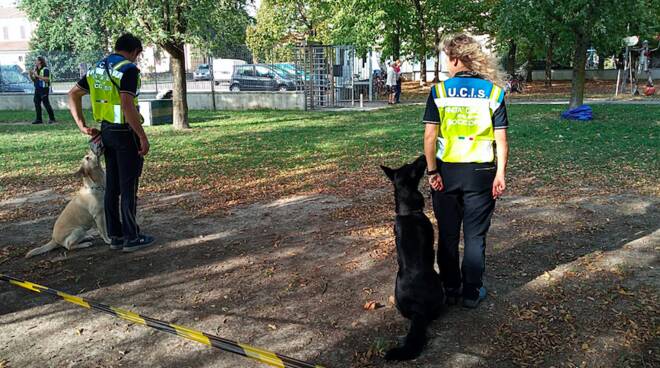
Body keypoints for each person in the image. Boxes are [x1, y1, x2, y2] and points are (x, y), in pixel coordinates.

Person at [422, 34, 509, 308]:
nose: (446, 64)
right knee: (475, 235)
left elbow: (429, 137)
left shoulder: (440, 91)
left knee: (447, 234)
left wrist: (432, 172)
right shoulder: (494, 92)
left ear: (456, 58)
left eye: (446, 58)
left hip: (446, 173)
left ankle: (450, 288)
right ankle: (472, 292)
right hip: (482, 173)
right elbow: (502, 139)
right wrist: (500, 174)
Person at [68, 33, 155, 252]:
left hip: (106, 131)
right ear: (135, 51)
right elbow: (127, 105)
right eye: (138, 55)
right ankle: (131, 237)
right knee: (128, 186)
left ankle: (115, 236)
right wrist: (142, 137)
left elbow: (73, 94)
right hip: (126, 133)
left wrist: (82, 125)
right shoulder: (128, 70)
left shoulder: (97, 68)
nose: (136, 59)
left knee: (113, 186)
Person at [29, 56, 56, 124]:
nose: (35, 61)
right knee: (36, 103)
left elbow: (47, 79)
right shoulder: (36, 69)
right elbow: (34, 80)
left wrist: (37, 75)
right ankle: (39, 119)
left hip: (44, 89)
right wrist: (30, 74)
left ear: (40, 61)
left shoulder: (45, 69)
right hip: (37, 88)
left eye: (36, 60)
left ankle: (52, 119)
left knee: (46, 103)